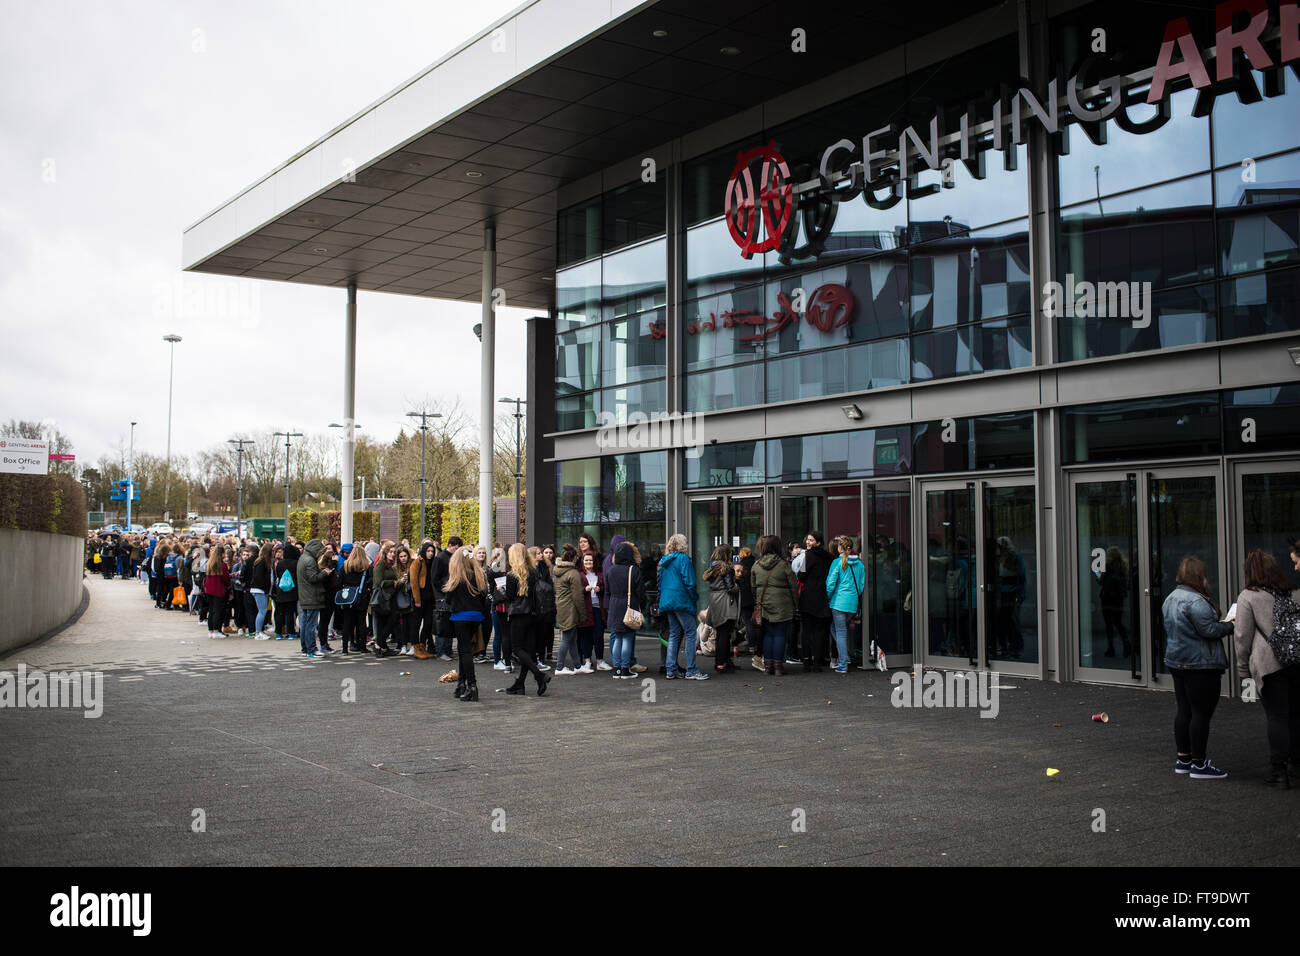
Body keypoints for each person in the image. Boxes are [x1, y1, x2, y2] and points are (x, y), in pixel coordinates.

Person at [1162, 555, 1234, 779]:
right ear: (1199, 575)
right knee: (1201, 713)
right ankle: (1199, 764)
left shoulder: (1170, 598)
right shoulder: (1195, 601)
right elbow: (1209, 631)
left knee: (1184, 710)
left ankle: (1183, 759)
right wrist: (1231, 625)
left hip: (1176, 661)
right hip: (1200, 664)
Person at [1233, 550, 1300, 788]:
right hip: (1296, 661)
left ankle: (1277, 769)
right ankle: (1295, 763)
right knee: (1295, 714)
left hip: (1269, 665)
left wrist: (1243, 673)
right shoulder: (1294, 592)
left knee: (1277, 716)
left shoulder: (1249, 596)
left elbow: (1242, 637)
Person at [503, 543, 552, 695]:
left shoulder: (511, 575)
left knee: (517, 649)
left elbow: (510, 597)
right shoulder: (533, 572)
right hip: (533, 614)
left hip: (518, 615)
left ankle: (539, 675)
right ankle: (520, 684)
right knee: (528, 651)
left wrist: (501, 592)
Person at [443, 548, 491, 702]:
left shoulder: (457, 578)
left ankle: (472, 685)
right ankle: (461, 684)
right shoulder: (478, 576)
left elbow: (448, 599)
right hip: (476, 616)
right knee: (466, 651)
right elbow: (484, 598)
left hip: (460, 617)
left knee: (464, 652)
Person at [659, 534, 707, 680]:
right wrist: (694, 598)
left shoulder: (664, 561)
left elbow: (660, 581)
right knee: (691, 633)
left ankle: (671, 669)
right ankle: (691, 669)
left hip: (667, 600)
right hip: (681, 599)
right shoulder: (683, 559)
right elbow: (690, 582)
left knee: (674, 633)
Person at [751, 534, 797, 676]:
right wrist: (795, 603)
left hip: (763, 605)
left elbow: (753, 588)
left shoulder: (756, 565)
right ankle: (778, 667)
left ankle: (768, 666)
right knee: (780, 635)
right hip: (782, 605)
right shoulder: (784, 565)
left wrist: (758, 602)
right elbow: (793, 587)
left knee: (767, 635)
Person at [605, 539, 645, 679]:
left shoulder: (610, 570)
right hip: (629, 606)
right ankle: (625, 669)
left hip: (614, 606)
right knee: (627, 638)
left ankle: (616, 668)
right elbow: (640, 592)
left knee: (617, 638)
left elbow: (607, 592)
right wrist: (642, 606)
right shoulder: (633, 570)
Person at [825, 536, 865, 675]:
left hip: (838, 602)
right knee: (840, 630)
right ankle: (845, 656)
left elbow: (830, 584)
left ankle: (842, 663)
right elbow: (861, 585)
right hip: (852, 603)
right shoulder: (859, 563)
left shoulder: (837, 562)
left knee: (840, 632)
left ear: (840, 548)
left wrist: (829, 597)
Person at [796, 531, 833, 672]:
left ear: (818, 542)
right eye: (807, 540)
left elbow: (801, 575)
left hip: (809, 595)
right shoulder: (829, 557)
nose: (808, 542)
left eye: (811, 540)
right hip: (823, 596)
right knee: (819, 630)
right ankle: (817, 662)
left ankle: (807, 660)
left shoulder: (808, 556)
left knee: (806, 630)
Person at [551, 544, 587, 675]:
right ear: (574, 558)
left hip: (561, 606)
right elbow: (578, 596)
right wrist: (583, 614)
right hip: (570, 608)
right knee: (567, 638)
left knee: (571, 637)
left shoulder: (557, 570)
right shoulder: (573, 573)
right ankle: (559, 667)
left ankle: (577, 666)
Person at [704, 544, 740, 673]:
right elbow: (731, 588)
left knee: (720, 633)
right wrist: (738, 586)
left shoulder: (712, 568)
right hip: (725, 601)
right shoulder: (726, 568)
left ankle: (720, 662)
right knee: (725, 633)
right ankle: (722, 663)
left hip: (715, 601)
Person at [295, 539, 330, 658]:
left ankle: (305, 648)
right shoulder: (310, 560)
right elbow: (313, 578)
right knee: (311, 625)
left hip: (304, 596)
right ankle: (311, 649)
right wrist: (325, 573)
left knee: (304, 624)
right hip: (312, 597)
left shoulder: (303, 558)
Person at [336, 545, 371, 655]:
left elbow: (339, 583)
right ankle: (362, 647)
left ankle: (345, 648)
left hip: (348, 597)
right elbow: (370, 581)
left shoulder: (345, 566)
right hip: (361, 597)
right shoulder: (366, 567)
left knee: (347, 623)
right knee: (361, 622)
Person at [430, 537, 459, 660]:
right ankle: (441, 650)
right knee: (442, 624)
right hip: (443, 596)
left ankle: (446, 650)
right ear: (451, 546)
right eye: (456, 548)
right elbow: (434, 578)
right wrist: (442, 591)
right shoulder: (441, 558)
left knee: (446, 623)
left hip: (447, 594)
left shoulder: (445, 558)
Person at [578, 551, 605, 672]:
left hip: (597, 608)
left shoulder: (599, 574)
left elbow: (605, 588)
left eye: (591, 560)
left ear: (594, 562)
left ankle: (600, 661)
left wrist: (600, 589)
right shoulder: (579, 575)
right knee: (586, 635)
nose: (589, 562)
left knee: (599, 635)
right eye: (586, 560)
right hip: (585, 609)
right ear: (583, 562)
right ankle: (587, 661)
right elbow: (576, 591)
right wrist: (584, 589)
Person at [411, 540, 437, 659]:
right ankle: (416, 647)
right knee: (416, 623)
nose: (430, 553)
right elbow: (414, 582)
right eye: (428, 551)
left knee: (428, 623)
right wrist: (417, 599)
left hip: (430, 598)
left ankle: (422, 646)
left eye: (432, 551)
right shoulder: (418, 562)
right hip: (420, 596)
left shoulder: (433, 563)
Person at [272, 542, 300, 640]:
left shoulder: (280, 563)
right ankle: (291, 633)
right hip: (292, 591)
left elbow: (278, 576)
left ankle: (278, 633)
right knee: (290, 613)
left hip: (281, 590)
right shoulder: (296, 563)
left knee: (280, 612)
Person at [203, 548, 231, 637]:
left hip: (209, 590)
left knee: (211, 611)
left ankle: (211, 631)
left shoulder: (210, 564)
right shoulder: (222, 565)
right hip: (219, 590)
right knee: (218, 611)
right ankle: (216, 630)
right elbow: (226, 579)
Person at [249, 542, 274, 637]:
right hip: (260, 590)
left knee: (261, 611)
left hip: (260, 590)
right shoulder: (262, 562)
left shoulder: (260, 561)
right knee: (262, 611)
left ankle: (259, 631)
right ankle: (258, 632)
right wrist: (265, 589)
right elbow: (259, 578)